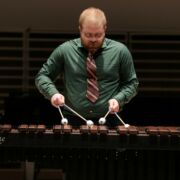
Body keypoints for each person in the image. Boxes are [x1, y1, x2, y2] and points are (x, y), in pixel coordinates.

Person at [35, 7, 139, 127]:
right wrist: (53, 94)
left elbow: (132, 83)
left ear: (105, 29)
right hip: (73, 120)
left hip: (110, 119)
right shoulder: (65, 50)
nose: (93, 39)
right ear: (80, 29)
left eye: (98, 35)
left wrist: (119, 99)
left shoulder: (120, 51)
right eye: (88, 35)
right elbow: (42, 76)